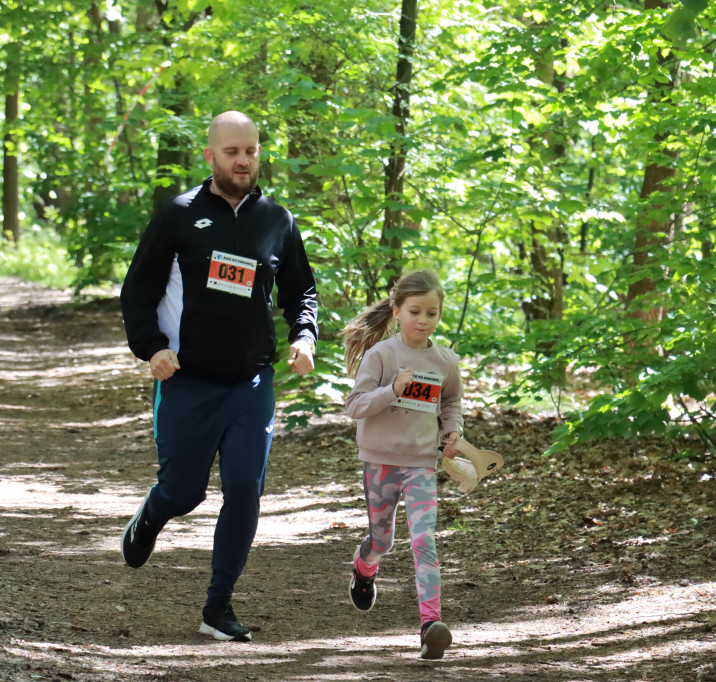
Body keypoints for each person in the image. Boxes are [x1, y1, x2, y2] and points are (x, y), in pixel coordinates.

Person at [119, 110, 318, 643]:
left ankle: (218, 606)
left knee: (245, 491)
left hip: (251, 383)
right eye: (231, 152)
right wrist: (152, 349)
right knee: (184, 493)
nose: (243, 160)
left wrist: (304, 336)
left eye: (250, 150)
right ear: (210, 156)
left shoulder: (277, 219)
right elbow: (137, 292)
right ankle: (152, 514)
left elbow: (302, 291)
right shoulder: (178, 215)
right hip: (187, 381)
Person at [341, 269, 462, 660]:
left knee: (425, 540)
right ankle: (365, 566)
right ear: (396, 311)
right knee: (383, 541)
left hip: (422, 464)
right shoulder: (382, 355)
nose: (423, 320)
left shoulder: (446, 361)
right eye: (415, 311)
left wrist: (451, 433)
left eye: (432, 313)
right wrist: (393, 390)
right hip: (380, 462)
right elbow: (355, 405)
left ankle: (430, 626)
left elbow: (450, 404)